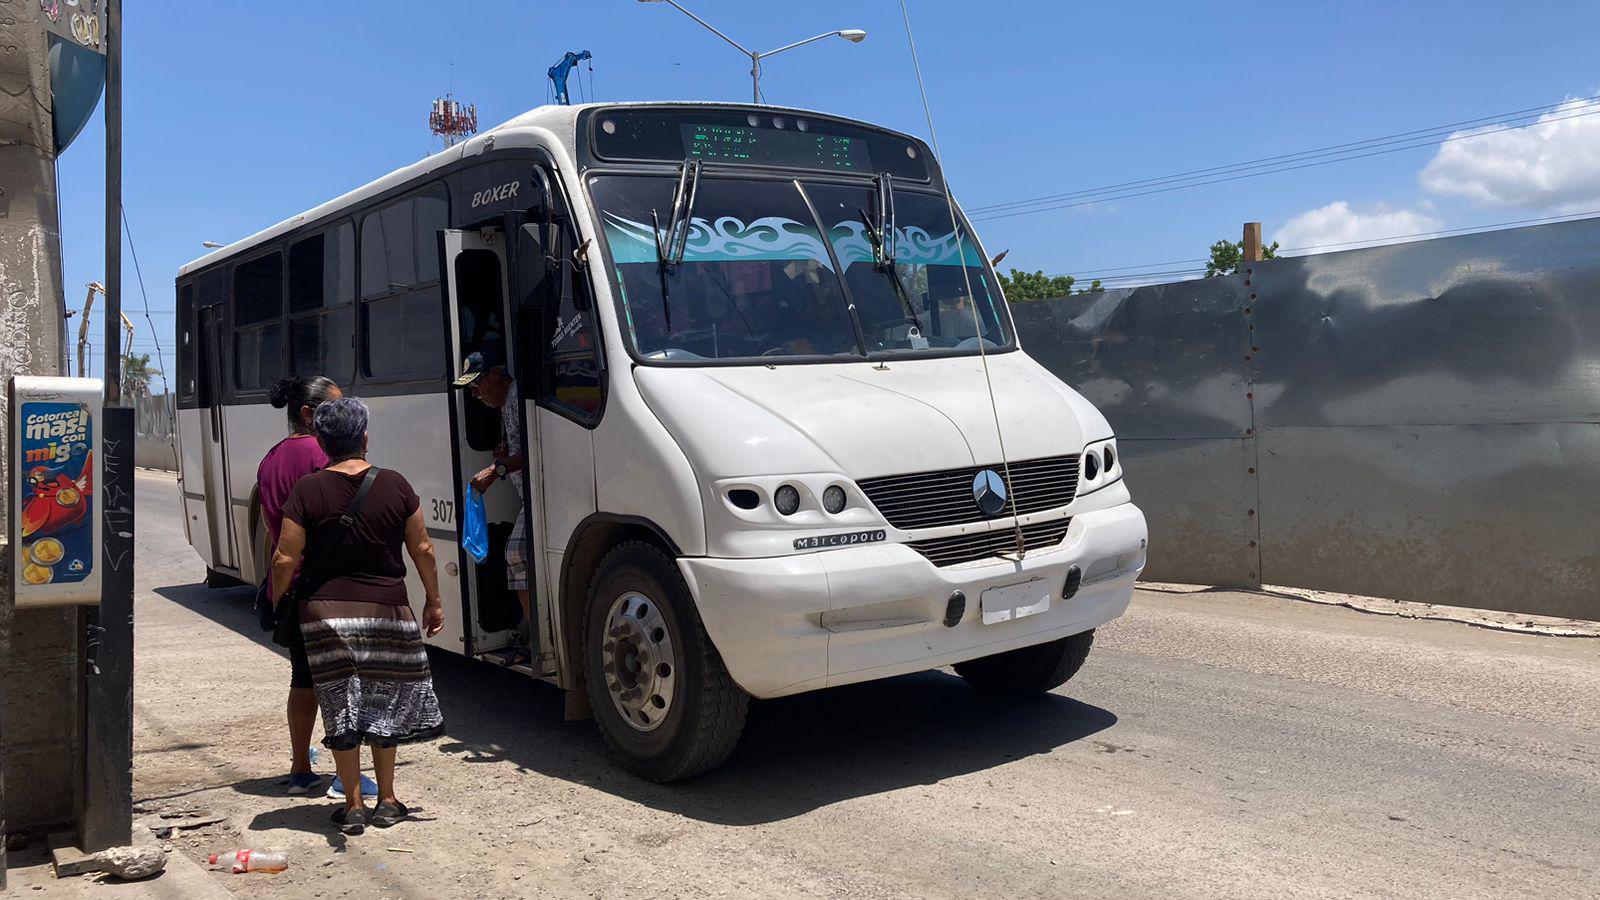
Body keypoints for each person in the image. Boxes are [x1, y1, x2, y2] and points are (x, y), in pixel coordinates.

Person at [270, 398, 446, 834]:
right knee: (385, 699)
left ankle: (352, 805)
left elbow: (284, 558)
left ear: (323, 443)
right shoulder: (396, 484)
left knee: (340, 703)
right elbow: (422, 547)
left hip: (326, 615)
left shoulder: (307, 490)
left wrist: (278, 601)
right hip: (387, 609)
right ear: (364, 438)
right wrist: (434, 599)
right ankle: (387, 799)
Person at [259, 375, 381, 801]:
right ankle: (345, 778)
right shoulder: (320, 455)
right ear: (310, 414)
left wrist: (277, 596)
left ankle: (300, 769)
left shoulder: (271, 458)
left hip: (295, 588)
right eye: (332, 409)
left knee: (304, 679)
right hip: (330, 584)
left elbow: (276, 539)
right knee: (345, 683)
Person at [451, 348, 532, 666]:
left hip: (539, 496)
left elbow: (532, 447)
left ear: (497, 374)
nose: (475, 393)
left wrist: (495, 471)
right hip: (526, 496)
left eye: (478, 384)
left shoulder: (516, 398)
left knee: (515, 552)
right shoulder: (506, 404)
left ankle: (535, 636)